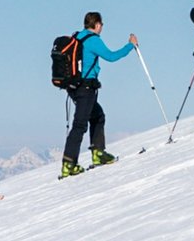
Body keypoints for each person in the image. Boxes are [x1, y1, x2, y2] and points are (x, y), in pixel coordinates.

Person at [59, 13, 137, 178]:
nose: (102, 27)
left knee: (98, 116)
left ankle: (98, 152)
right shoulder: (93, 40)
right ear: (97, 24)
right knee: (80, 124)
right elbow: (111, 56)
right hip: (86, 88)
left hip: (74, 87)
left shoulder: (77, 37)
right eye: (101, 24)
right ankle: (69, 163)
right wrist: (131, 45)